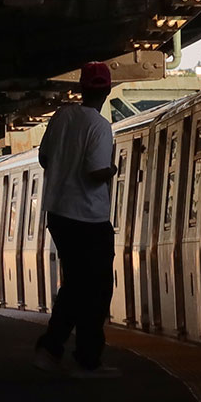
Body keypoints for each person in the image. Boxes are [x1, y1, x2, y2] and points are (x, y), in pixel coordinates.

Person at [32, 61, 119, 378]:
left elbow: (43, 158)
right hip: (89, 218)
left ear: (81, 88)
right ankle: (86, 359)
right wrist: (112, 170)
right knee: (96, 289)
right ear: (108, 90)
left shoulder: (62, 116)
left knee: (77, 284)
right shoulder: (100, 126)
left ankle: (52, 349)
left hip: (57, 213)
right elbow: (95, 172)